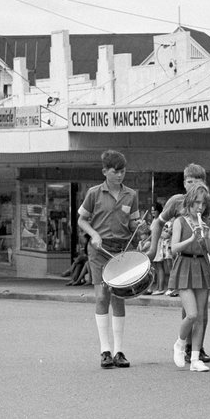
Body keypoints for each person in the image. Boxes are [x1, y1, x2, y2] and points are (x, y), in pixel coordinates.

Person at [77, 149, 144, 368]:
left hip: (122, 250)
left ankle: (119, 351)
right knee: (101, 296)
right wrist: (94, 234)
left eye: (123, 171)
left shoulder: (131, 195)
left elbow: (133, 223)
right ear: (105, 171)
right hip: (99, 249)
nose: (119, 175)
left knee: (119, 297)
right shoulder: (94, 193)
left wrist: (139, 227)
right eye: (115, 171)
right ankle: (104, 350)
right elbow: (82, 220)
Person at [169, 182, 210, 371]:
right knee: (192, 314)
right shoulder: (180, 221)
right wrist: (191, 239)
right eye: (197, 202)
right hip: (185, 264)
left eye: (203, 203)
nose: (200, 207)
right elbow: (174, 248)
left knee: (201, 317)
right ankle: (180, 343)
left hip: (201, 265)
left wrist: (205, 240)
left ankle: (196, 358)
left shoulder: (208, 223)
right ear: (189, 202)